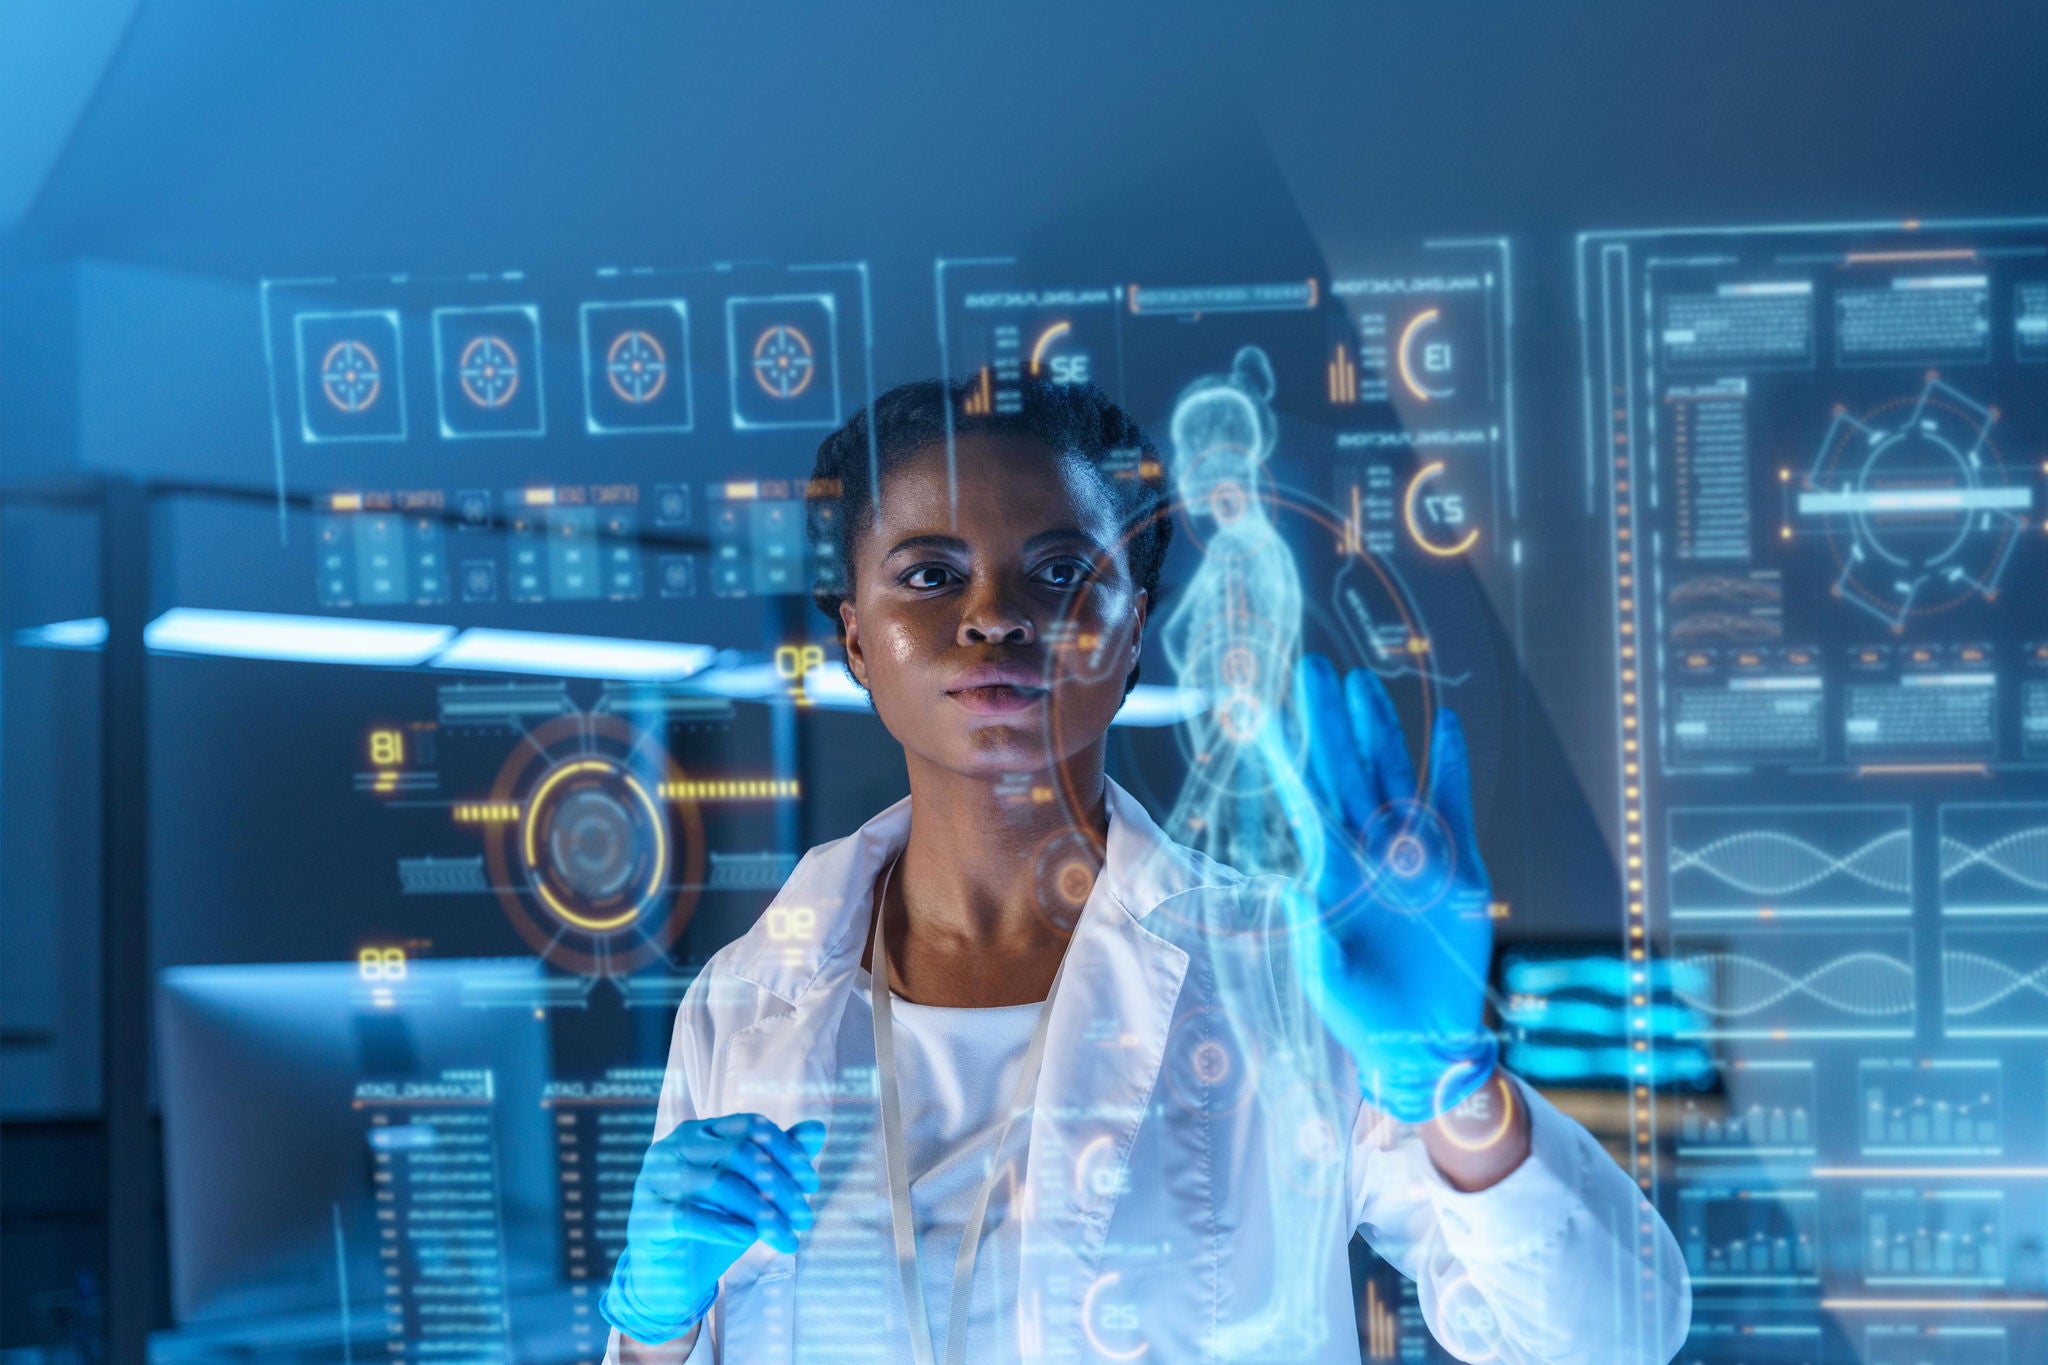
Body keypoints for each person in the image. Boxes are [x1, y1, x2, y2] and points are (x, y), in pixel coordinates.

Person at [599, 378, 1692, 1364]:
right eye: (929, 575)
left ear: (1128, 639)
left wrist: (1457, 1091)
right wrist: (653, 1332)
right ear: (853, 640)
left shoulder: (1282, 981)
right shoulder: (747, 1001)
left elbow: (1612, 1335)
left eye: (1063, 572)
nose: (992, 616)